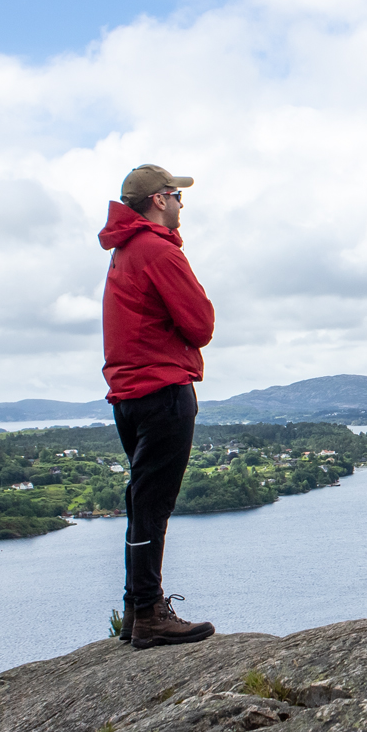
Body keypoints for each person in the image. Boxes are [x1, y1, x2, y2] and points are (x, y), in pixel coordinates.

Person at [100, 164, 217, 649]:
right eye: (177, 195)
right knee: (153, 506)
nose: (182, 204)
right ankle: (149, 613)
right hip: (163, 390)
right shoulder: (158, 250)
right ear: (159, 199)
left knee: (140, 502)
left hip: (128, 395)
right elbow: (201, 324)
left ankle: (136, 608)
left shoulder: (125, 251)